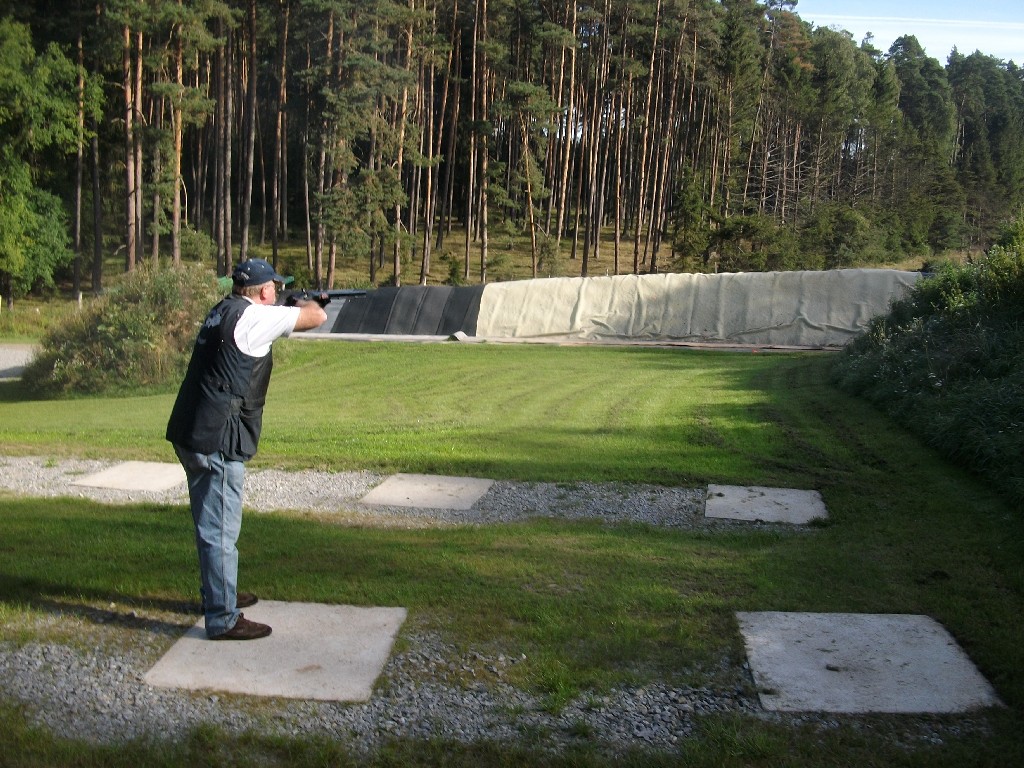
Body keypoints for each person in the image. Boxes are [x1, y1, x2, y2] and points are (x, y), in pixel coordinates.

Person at [166, 258, 327, 640]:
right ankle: (223, 618)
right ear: (266, 291)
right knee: (220, 530)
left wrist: (290, 304)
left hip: (193, 429)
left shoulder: (222, 310)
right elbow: (316, 317)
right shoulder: (255, 317)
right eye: (275, 287)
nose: (277, 291)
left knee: (210, 525)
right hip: (217, 438)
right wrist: (304, 303)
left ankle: (218, 593)